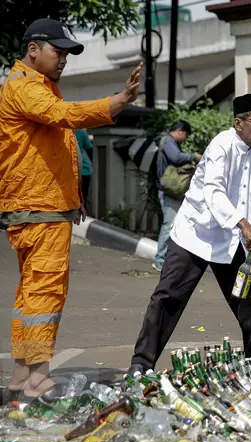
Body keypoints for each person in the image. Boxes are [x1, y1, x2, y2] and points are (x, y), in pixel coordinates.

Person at [0, 18, 142, 402]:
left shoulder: (40, 87)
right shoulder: (25, 88)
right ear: (34, 50)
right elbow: (66, 117)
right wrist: (118, 102)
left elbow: (57, 147)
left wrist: (73, 197)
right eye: (57, 51)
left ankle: (19, 377)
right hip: (37, 205)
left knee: (31, 294)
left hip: (41, 203)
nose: (63, 59)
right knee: (45, 289)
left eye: (66, 53)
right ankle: (37, 378)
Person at [127, 92, 251, 376]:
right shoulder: (221, 145)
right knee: (167, 298)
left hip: (232, 242)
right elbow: (214, 191)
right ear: (238, 123)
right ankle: (141, 364)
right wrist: (243, 224)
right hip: (196, 235)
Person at [153, 120, 201, 272]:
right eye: (185, 135)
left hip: (169, 190)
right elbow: (176, 158)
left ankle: (164, 260)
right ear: (180, 130)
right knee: (169, 225)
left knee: (172, 225)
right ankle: (160, 261)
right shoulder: (168, 141)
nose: (185, 139)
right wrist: (193, 156)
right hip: (169, 191)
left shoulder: (167, 141)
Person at [74, 129, 93, 205]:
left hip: (70, 171)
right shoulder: (81, 131)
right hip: (85, 169)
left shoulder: (62, 129)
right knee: (83, 199)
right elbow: (89, 148)